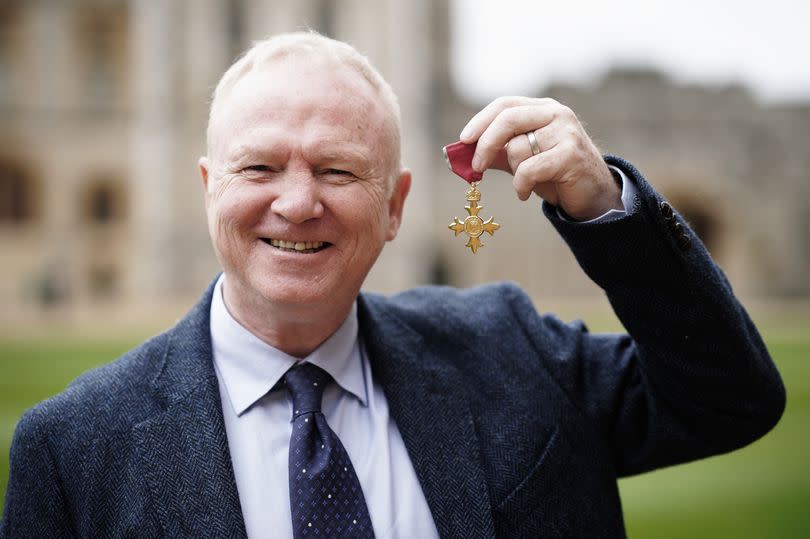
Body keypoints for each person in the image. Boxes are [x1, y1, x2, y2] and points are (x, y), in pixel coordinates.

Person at [1, 32, 785, 539]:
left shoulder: (511, 349)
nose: (299, 200)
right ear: (210, 188)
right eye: (260, 167)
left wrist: (609, 212)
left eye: (338, 169)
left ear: (396, 206)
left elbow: (729, 398)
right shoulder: (70, 450)